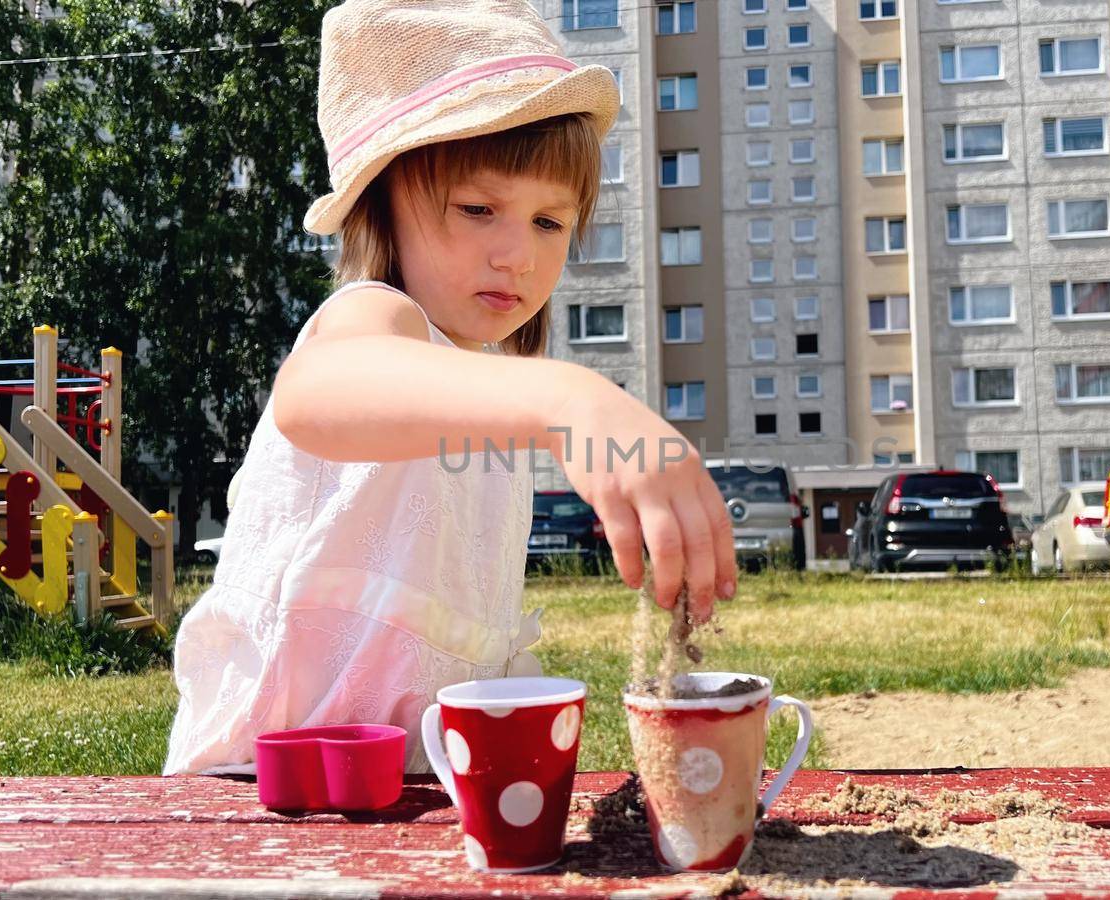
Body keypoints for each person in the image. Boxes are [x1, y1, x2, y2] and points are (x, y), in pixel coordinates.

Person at [165, 0, 737, 775]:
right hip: (274, 794)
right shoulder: (373, 319)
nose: (518, 256)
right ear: (383, 204)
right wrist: (571, 400)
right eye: (479, 209)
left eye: (549, 222)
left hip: (414, 791)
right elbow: (317, 394)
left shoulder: (486, 387)